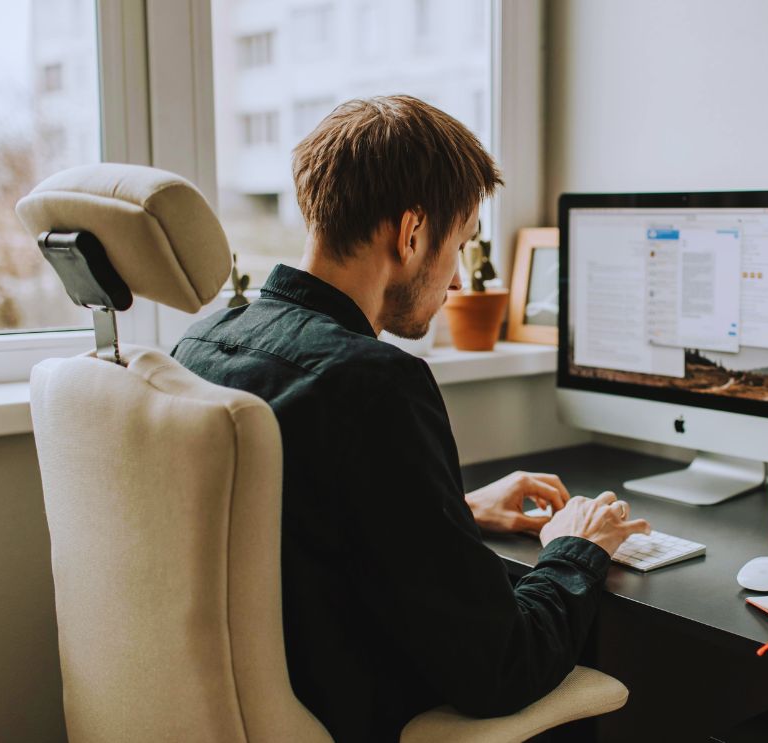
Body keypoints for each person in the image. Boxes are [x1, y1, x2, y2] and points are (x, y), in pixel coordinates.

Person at [172, 95, 650, 741]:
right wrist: (576, 547)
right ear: (412, 232)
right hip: (354, 710)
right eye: (459, 244)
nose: (455, 281)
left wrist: (452, 507)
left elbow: (285, 521)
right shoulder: (370, 382)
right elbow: (502, 669)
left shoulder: (207, 339)